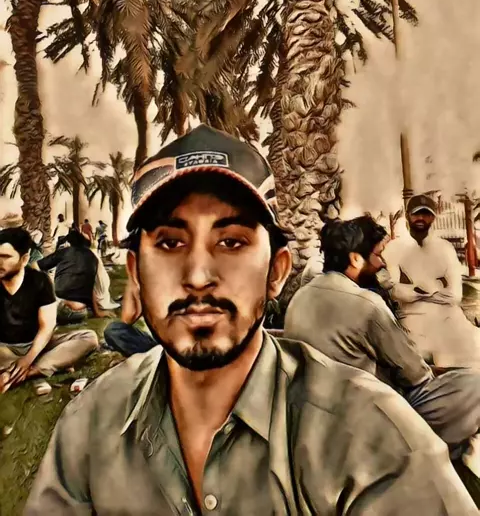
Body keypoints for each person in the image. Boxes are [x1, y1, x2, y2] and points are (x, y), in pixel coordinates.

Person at [26, 125, 477, 514]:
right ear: (137, 274)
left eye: (231, 242)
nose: (198, 276)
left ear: (277, 272)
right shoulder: (91, 423)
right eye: (169, 243)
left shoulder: (371, 438)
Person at [285, 216, 480, 475]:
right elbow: (416, 376)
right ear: (355, 259)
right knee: (473, 385)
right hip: (367, 423)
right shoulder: (365, 303)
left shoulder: (301, 297)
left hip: (317, 419)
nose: (381, 263)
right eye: (377, 255)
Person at [382, 193, 480, 368]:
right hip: (413, 318)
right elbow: (394, 291)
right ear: (408, 215)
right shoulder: (393, 249)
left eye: (426, 214)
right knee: (433, 358)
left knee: (472, 353)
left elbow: (455, 295)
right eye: (416, 213)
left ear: (433, 217)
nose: (421, 218)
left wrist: (415, 289)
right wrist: (438, 285)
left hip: (449, 315)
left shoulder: (445, 248)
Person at [0, 227, 98, 394]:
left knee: (89, 338)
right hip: (5, 349)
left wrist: (27, 360)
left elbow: (47, 327)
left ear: (24, 259)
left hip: (38, 345)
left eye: (6, 257)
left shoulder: (40, 281)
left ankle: (28, 372)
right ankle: (51, 365)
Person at [37, 230, 115, 323]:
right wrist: (97, 312)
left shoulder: (65, 252)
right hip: (81, 312)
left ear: (69, 243)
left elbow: (39, 265)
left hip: (61, 307)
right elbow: (90, 289)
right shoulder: (92, 257)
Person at [104, 279, 158, 357]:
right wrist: (132, 285)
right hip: (155, 346)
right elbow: (126, 320)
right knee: (113, 331)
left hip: (169, 347)